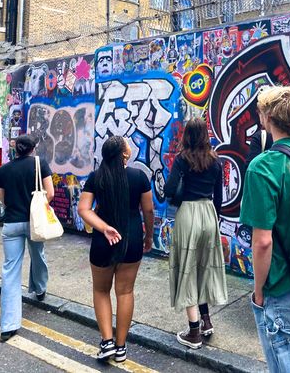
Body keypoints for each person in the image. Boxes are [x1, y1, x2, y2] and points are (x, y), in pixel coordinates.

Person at [240, 85, 290, 373]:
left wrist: (258, 291)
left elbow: (262, 242)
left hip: (281, 284)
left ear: (266, 117)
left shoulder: (262, 167)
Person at [78, 136, 154, 362]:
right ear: (124, 154)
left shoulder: (96, 177)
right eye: (127, 144)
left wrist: (104, 228)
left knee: (101, 291)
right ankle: (121, 348)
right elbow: (148, 211)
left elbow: (84, 209)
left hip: (103, 242)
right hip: (131, 239)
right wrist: (148, 236)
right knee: (125, 292)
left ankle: (107, 342)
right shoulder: (139, 177)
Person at [164, 117, 227, 350]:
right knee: (203, 268)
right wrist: (215, 219)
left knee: (187, 270)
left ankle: (194, 333)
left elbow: (169, 190)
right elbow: (219, 197)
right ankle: (206, 321)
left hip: (189, 214)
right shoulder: (215, 160)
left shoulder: (182, 160)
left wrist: (180, 196)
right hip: (209, 214)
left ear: (187, 135)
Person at [0, 134, 54, 341]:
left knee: (11, 270)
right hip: (34, 221)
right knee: (37, 254)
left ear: (16, 149)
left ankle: (8, 326)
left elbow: (2, 198)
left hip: (12, 223)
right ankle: (40, 289)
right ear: (34, 148)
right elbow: (50, 193)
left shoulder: (3, 169)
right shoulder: (40, 164)